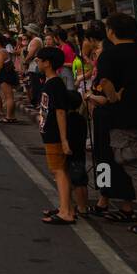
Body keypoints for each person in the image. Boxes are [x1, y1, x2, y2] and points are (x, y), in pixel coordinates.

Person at [95, 13, 137, 239]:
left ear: (111, 32)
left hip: (124, 121)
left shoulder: (109, 56)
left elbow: (106, 84)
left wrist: (113, 97)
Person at [80, 20, 135, 220]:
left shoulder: (106, 56)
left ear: (91, 40)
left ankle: (122, 203)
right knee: (105, 158)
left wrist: (90, 96)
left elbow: (104, 89)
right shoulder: (105, 55)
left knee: (110, 159)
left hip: (107, 114)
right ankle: (104, 198)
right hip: (107, 115)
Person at [37, 47, 79, 225]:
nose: (37, 62)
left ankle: (65, 212)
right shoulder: (51, 82)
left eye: (39, 60)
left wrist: (63, 140)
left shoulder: (54, 84)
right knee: (61, 170)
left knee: (58, 171)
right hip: (50, 133)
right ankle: (66, 206)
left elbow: (60, 112)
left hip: (55, 134)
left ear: (47, 63)